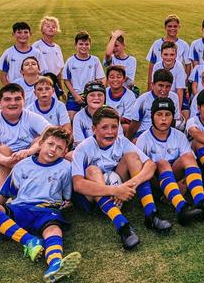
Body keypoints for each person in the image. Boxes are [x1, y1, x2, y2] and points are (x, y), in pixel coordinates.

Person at [0, 127, 81, 283]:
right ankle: (29, 241)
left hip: (47, 210)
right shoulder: (22, 165)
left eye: (59, 148)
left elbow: (67, 196)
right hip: (20, 208)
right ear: (41, 143)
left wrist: (67, 203)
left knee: (54, 229)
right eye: (50, 144)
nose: (53, 150)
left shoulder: (66, 168)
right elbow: (6, 191)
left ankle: (55, 264)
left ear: (64, 151)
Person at [72, 106, 172, 248]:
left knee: (132, 157)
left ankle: (152, 214)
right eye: (104, 127)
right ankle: (123, 226)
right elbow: (78, 184)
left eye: (114, 127)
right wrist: (114, 191)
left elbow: (150, 165)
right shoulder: (83, 148)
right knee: (92, 170)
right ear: (94, 129)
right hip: (94, 198)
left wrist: (129, 184)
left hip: (120, 189)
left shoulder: (122, 141)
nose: (110, 132)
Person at [137, 98, 204, 225]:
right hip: (155, 181)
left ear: (173, 117)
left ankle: (201, 201)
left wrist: (184, 182)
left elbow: (190, 163)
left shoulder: (179, 136)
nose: (164, 119)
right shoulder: (143, 139)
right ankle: (182, 208)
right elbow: (141, 172)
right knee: (162, 163)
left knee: (188, 156)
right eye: (159, 114)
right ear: (152, 116)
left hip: (175, 177)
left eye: (168, 114)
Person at [0, 83, 50, 191]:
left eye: (17, 99)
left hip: (26, 158)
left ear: (24, 101)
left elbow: (51, 131)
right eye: (7, 99)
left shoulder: (30, 117)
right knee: (2, 149)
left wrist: (31, 150)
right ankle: (3, 197)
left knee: (39, 140)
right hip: (2, 163)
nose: (13, 103)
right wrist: (6, 161)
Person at [129, 69, 181, 140]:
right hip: (144, 132)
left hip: (165, 133)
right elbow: (135, 123)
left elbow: (173, 121)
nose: (164, 89)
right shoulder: (143, 99)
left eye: (168, 86)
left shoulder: (174, 98)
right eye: (161, 85)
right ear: (153, 85)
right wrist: (128, 140)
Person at [63, 31, 105, 119]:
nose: (84, 47)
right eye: (81, 44)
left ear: (90, 45)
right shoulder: (70, 61)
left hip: (91, 93)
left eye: (86, 44)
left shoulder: (95, 60)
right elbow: (66, 80)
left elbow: (101, 79)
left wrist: (97, 94)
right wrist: (75, 95)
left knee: (95, 118)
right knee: (71, 117)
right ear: (76, 45)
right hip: (75, 95)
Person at [146, 14, 191, 88]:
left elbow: (188, 65)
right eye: (169, 26)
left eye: (175, 26)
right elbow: (151, 64)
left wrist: (185, 82)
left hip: (176, 82)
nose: (172, 28)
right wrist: (149, 84)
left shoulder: (184, 44)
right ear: (165, 27)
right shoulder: (157, 43)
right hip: (159, 82)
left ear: (179, 27)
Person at [72, 81, 117, 148]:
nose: (96, 98)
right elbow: (79, 143)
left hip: (110, 151)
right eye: (92, 95)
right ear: (85, 97)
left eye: (100, 95)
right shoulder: (78, 117)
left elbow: (119, 139)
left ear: (105, 98)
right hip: (86, 152)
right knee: (69, 155)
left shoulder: (112, 114)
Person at [152, 41, 188, 116]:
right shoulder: (157, 66)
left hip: (176, 94)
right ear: (161, 55)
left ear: (176, 55)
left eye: (172, 55)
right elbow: (154, 87)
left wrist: (178, 111)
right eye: (165, 54)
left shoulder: (179, 66)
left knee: (185, 114)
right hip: (160, 94)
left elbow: (180, 90)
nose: (168, 57)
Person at [31, 17, 65, 94]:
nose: (51, 28)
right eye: (47, 26)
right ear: (42, 29)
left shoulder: (57, 48)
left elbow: (58, 72)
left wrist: (61, 89)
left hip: (54, 85)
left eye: (54, 27)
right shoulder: (36, 46)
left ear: (56, 30)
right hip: (40, 84)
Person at [105, 65, 138, 131]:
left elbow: (127, 119)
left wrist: (110, 120)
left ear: (124, 79)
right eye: (112, 77)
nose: (115, 80)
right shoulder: (103, 92)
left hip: (120, 124)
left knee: (126, 127)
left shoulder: (130, 95)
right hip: (103, 122)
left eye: (118, 77)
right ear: (107, 80)